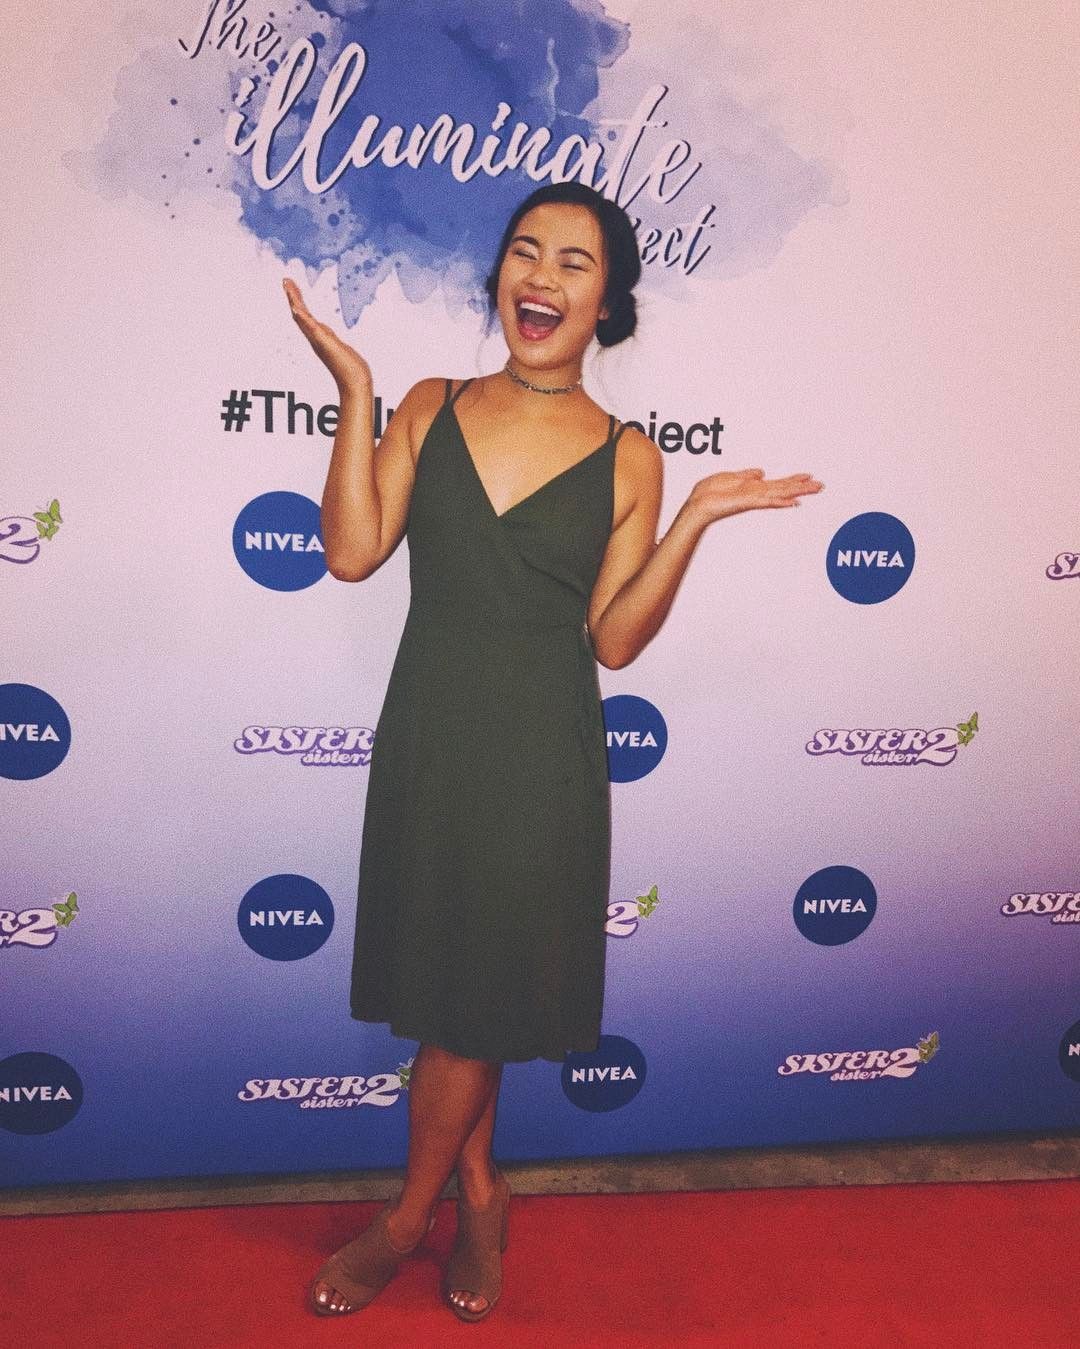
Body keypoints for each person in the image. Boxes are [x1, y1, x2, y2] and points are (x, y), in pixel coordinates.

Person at [282, 180, 823, 1323]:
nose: (542, 276)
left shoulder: (629, 456)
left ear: (607, 301)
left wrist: (693, 518)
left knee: (469, 1013)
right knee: (457, 999)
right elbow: (349, 550)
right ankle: (483, 1193)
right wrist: (358, 395)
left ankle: (403, 1220)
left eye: (574, 262)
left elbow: (614, 639)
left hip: (540, 760)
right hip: (432, 739)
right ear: (501, 279)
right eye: (526, 252)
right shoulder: (429, 405)